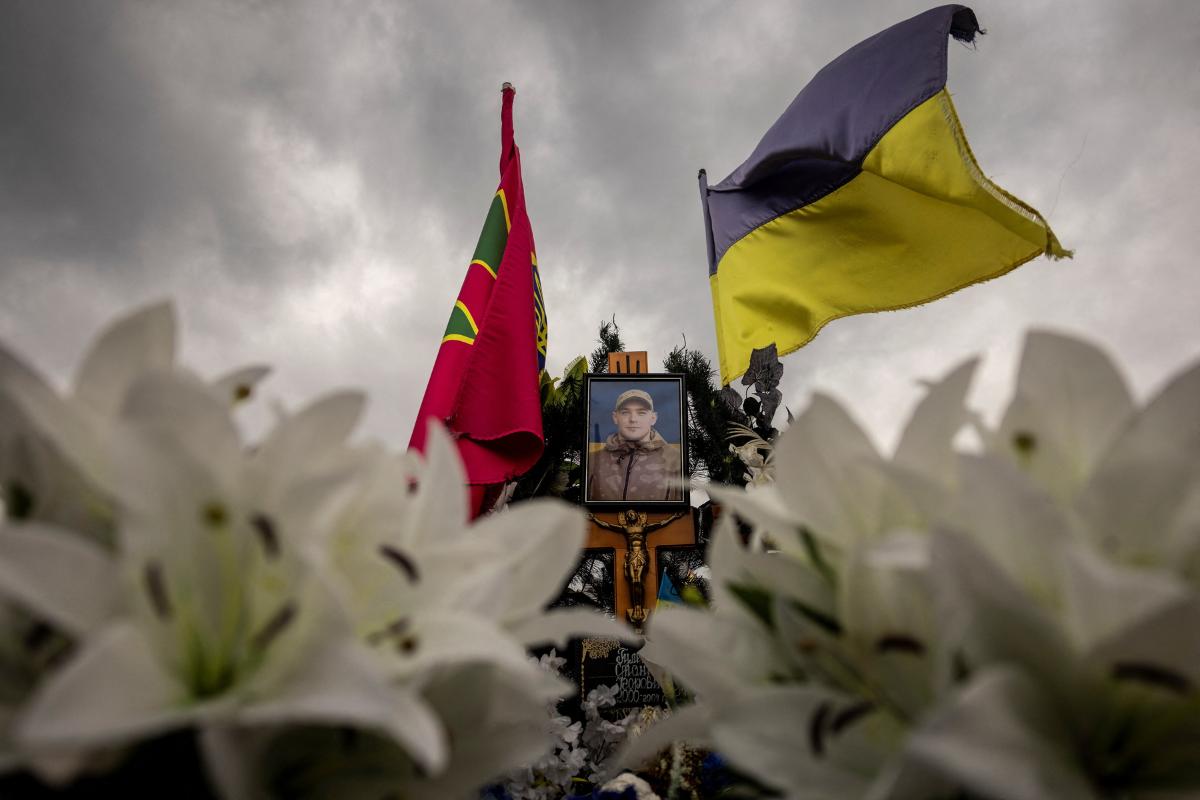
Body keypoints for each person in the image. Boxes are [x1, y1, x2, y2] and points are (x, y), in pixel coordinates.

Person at [587, 389, 682, 502]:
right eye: (625, 412)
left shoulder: (675, 459)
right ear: (615, 417)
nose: (633, 419)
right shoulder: (593, 460)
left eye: (641, 413)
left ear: (653, 418)